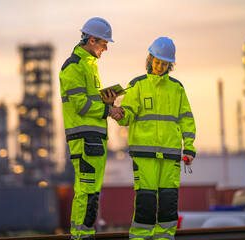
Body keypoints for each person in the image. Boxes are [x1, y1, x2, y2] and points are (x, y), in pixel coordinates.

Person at [116, 37, 196, 240]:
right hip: (144, 155)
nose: (159, 66)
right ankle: (140, 237)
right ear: (150, 59)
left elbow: (186, 120)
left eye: (164, 63)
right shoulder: (137, 85)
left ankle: (165, 237)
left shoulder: (177, 88)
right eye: (157, 61)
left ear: (170, 65)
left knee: (169, 201)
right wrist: (119, 113)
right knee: (146, 200)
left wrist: (189, 148)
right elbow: (128, 114)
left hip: (170, 155)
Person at [59, 17, 124, 240]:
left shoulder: (88, 65)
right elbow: (80, 104)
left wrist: (107, 100)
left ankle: (84, 234)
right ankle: (81, 236)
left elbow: (88, 100)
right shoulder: (74, 66)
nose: (106, 48)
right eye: (104, 43)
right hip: (85, 138)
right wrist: (109, 111)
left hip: (93, 137)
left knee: (92, 191)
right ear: (92, 39)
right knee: (87, 191)